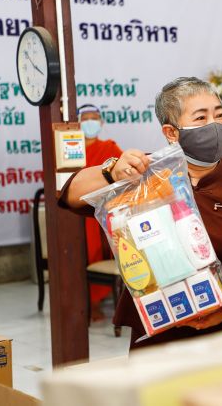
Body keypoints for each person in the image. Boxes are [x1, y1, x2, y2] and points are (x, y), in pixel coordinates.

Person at [60, 78, 222, 349]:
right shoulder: (143, 176)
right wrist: (112, 171)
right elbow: (69, 195)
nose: (214, 124)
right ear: (171, 132)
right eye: (201, 117)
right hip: (160, 337)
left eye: (219, 115)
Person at [78, 104, 123, 321]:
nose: (90, 122)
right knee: (86, 242)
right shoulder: (71, 151)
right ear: (78, 124)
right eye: (85, 118)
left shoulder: (108, 148)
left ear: (101, 122)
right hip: (81, 210)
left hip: (107, 208)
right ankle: (91, 302)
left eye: (94, 118)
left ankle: (108, 299)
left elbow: (124, 173)